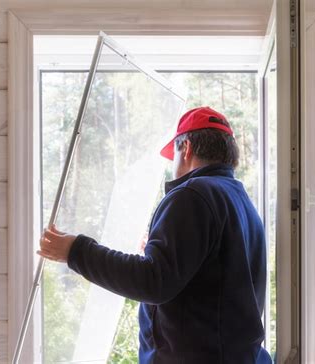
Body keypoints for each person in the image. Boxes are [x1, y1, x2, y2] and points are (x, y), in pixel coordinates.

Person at [38, 106, 272, 364]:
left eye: (173, 155)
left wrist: (75, 251)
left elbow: (153, 281)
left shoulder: (191, 194)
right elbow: (211, 283)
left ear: (186, 149)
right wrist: (160, 251)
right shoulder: (241, 201)